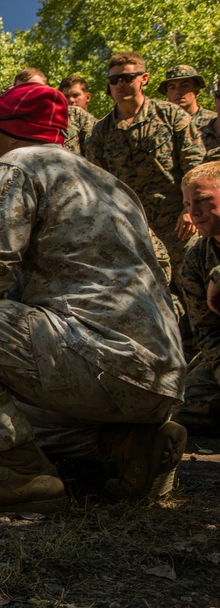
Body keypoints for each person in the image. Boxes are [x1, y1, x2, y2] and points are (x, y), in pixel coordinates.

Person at [0, 82, 186, 513]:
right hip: (158, 378)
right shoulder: (109, 183)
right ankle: (129, 443)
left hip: (97, 358)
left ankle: (21, 472)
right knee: (18, 416)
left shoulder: (18, 165)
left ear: (6, 132)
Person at [86, 51, 204, 279]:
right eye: (114, 80)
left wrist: (190, 209)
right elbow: (97, 184)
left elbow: (195, 165)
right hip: (132, 228)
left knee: (190, 286)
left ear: (144, 78)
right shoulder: (101, 131)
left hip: (178, 223)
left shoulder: (170, 115)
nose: (120, 84)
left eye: (127, 78)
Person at [177, 161, 220, 429]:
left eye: (203, 201)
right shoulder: (195, 258)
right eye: (188, 204)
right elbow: (207, 331)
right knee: (186, 404)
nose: (194, 212)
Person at [159, 65, 217, 135]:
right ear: (167, 94)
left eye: (185, 86)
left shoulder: (214, 121)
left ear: (197, 90)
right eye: (172, 87)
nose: (178, 91)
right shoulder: (160, 124)